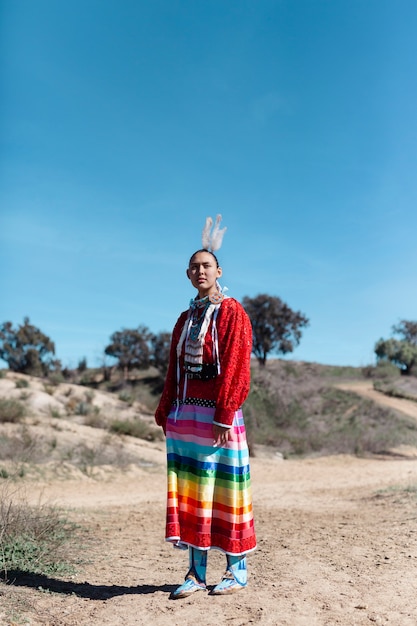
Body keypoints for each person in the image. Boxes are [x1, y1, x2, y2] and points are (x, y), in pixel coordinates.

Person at [155, 215, 256, 599]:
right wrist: (166, 410)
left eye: (206, 266)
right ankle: (196, 574)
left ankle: (237, 570)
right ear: (187, 274)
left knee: (227, 491)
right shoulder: (184, 319)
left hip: (218, 419)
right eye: (195, 267)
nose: (201, 271)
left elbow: (236, 365)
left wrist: (224, 413)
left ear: (219, 271)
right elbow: (173, 370)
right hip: (185, 419)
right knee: (194, 495)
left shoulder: (231, 312)